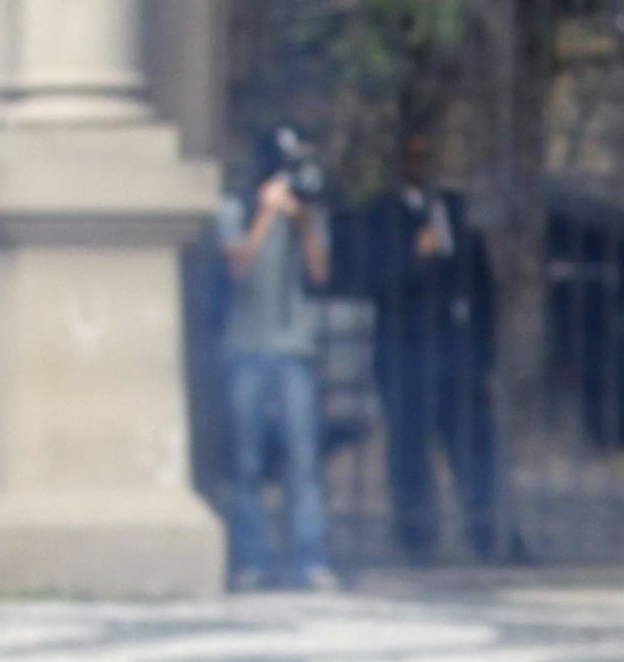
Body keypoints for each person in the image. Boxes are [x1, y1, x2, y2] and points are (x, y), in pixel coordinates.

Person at [352, 131, 504, 562]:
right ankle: (416, 538)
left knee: (475, 444)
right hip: (406, 351)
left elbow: (480, 281)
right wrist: (414, 256)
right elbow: (373, 281)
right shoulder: (381, 215)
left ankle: (490, 535)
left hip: (457, 352)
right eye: (413, 155)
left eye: (427, 155)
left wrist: (483, 350)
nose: (422, 164)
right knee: (410, 448)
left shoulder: (454, 210)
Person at [215, 126, 339, 590]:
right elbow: (237, 267)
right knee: (246, 460)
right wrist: (266, 215)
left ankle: (310, 558)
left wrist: (302, 220)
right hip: (247, 346)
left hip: (294, 350)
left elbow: (320, 272)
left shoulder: (308, 211)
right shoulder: (235, 208)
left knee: (304, 459)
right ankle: (253, 558)